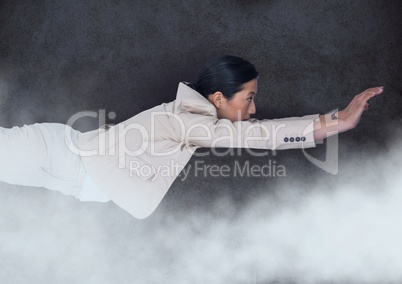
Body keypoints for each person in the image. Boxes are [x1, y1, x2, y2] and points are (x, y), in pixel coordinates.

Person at [0, 55, 383, 219]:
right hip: (55, 155)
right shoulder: (190, 121)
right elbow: (262, 134)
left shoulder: (192, 120)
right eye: (248, 99)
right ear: (219, 98)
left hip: (64, 168)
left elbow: (254, 130)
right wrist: (336, 121)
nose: (252, 110)